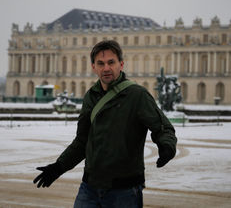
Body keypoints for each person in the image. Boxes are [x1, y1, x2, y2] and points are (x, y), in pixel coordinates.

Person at [33, 40, 177, 207]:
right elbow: (82, 141)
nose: (106, 68)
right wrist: (58, 167)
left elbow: (163, 127)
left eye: (111, 62)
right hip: (89, 188)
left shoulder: (137, 95)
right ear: (94, 67)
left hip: (125, 190)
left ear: (121, 64)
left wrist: (167, 146)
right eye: (101, 63)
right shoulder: (90, 97)